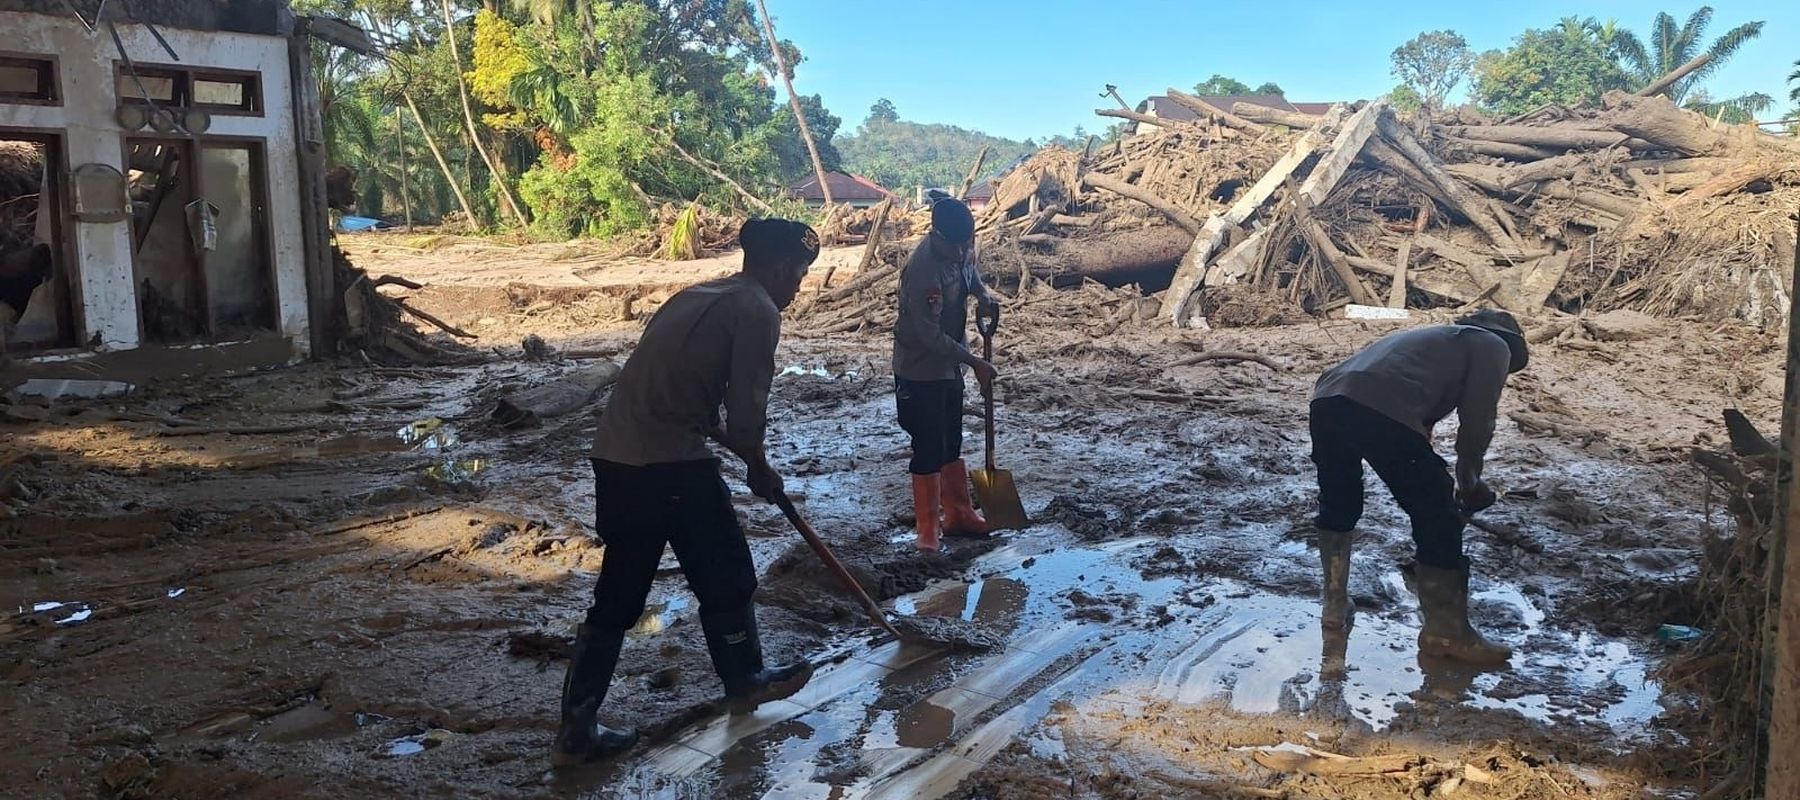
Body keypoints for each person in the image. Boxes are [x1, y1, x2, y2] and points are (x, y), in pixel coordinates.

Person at [554, 219, 821, 767]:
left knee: (619, 595)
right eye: (798, 275)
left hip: (618, 455)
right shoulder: (757, 311)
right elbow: (746, 414)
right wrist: (757, 466)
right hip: (666, 462)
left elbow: (682, 397)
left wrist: (744, 455)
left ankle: (576, 728)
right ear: (776, 270)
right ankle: (745, 679)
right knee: (728, 573)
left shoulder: (698, 294)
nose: (797, 287)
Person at [1308, 308, 1530, 665]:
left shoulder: (1429, 340)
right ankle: (1446, 632)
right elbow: (1478, 421)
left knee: (1339, 502)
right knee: (1437, 515)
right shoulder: (1493, 344)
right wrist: (1468, 481)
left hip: (1328, 401)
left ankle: (1334, 606)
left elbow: (1399, 394)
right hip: (1377, 408)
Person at [893, 198, 1001, 553]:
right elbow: (927, 335)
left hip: (950, 363)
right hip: (920, 368)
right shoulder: (922, 270)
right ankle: (928, 529)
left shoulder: (961, 247)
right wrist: (975, 362)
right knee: (928, 445)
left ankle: (959, 513)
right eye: (954, 246)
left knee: (951, 438)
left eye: (965, 245)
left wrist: (983, 296)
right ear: (936, 236)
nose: (960, 252)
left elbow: (971, 277)